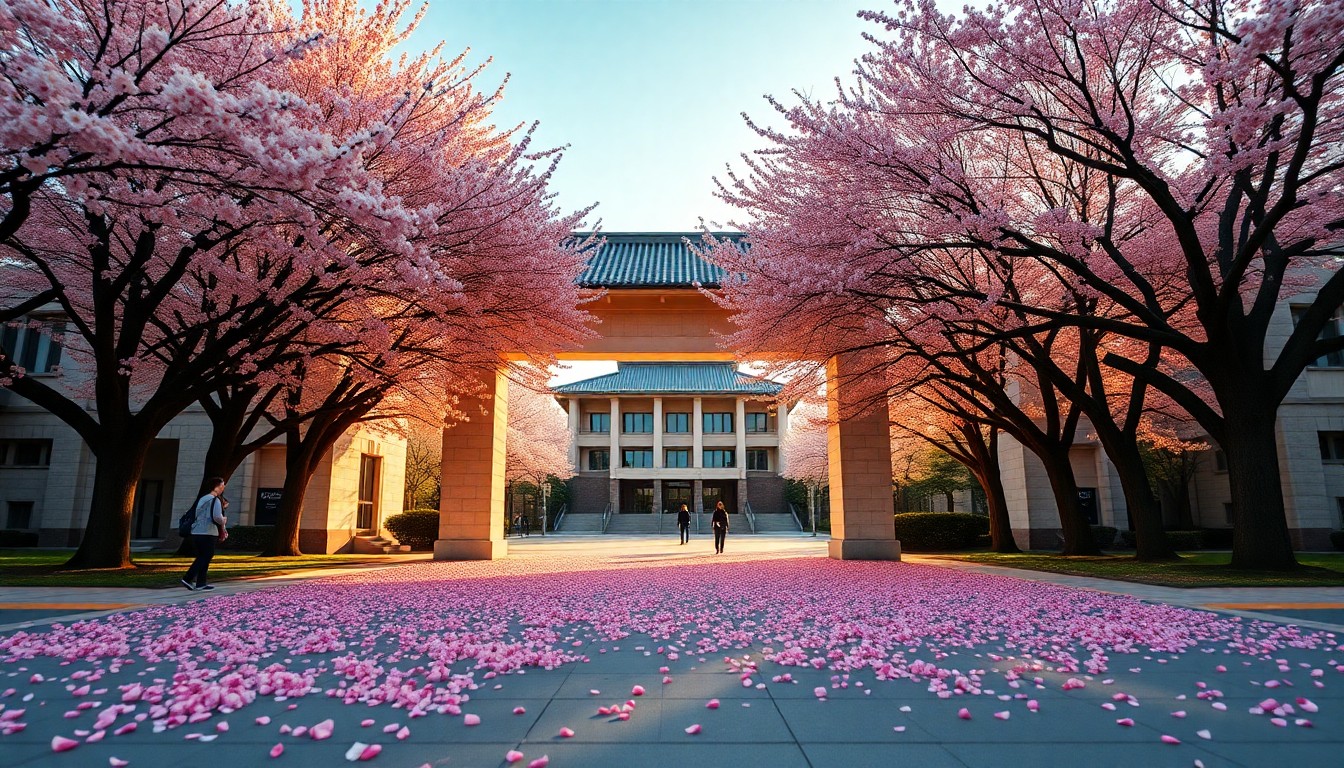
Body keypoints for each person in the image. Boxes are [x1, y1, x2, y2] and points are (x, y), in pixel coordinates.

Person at [182, 477, 228, 591]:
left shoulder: (204, 499)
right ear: (216, 487)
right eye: (222, 486)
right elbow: (217, 517)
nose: (223, 488)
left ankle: (201, 583)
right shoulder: (214, 499)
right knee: (206, 555)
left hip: (197, 531)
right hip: (207, 532)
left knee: (204, 556)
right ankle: (188, 578)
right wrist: (224, 520)